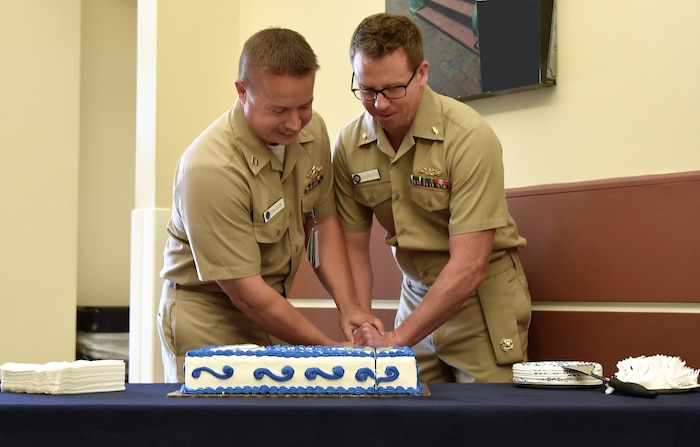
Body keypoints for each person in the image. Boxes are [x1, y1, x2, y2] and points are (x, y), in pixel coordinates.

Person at [157, 27, 385, 383]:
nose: (294, 123)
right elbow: (247, 295)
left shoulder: (313, 134)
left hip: (274, 309)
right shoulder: (209, 169)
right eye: (279, 109)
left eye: (304, 106)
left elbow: (322, 225)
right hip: (209, 318)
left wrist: (350, 308)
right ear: (242, 91)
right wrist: (328, 349)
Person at [336, 13, 531, 383]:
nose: (379, 104)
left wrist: (397, 340)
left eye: (394, 88)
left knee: (488, 425)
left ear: (422, 73)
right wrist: (361, 321)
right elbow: (353, 249)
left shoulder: (468, 136)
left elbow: (470, 265)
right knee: (406, 423)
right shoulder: (349, 145)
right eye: (367, 89)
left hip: (482, 299)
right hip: (415, 296)